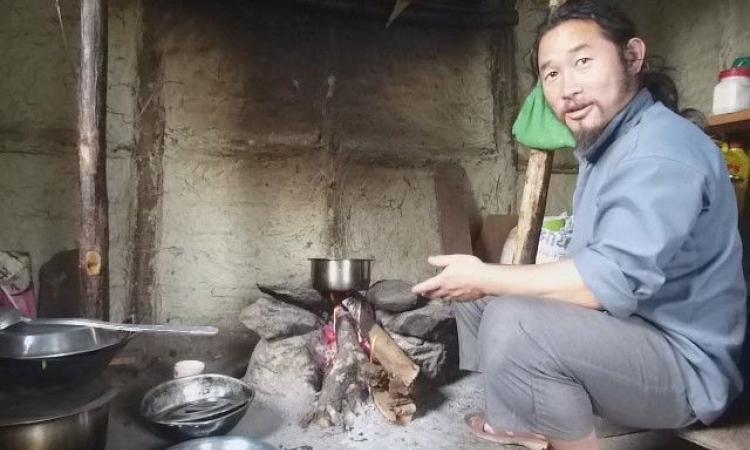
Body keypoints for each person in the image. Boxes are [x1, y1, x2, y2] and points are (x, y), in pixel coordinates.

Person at [412, 1, 746, 449]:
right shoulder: (608, 143)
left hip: (687, 364)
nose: (567, 87)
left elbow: (606, 284)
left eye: (583, 61)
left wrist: (485, 273)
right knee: (482, 303)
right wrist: (486, 283)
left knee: (515, 323)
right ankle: (520, 425)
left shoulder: (660, 149)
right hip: (634, 330)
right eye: (551, 74)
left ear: (632, 57)